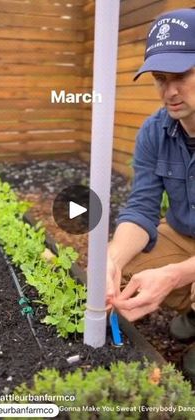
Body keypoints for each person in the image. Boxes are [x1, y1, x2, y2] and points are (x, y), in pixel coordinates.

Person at [106, 8, 195, 382]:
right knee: (124, 267)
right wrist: (110, 261)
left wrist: (176, 275)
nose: (169, 91)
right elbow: (142, 207)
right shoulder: (154, 131)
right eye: (160, 79)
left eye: (181, 76)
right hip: (183, 233)